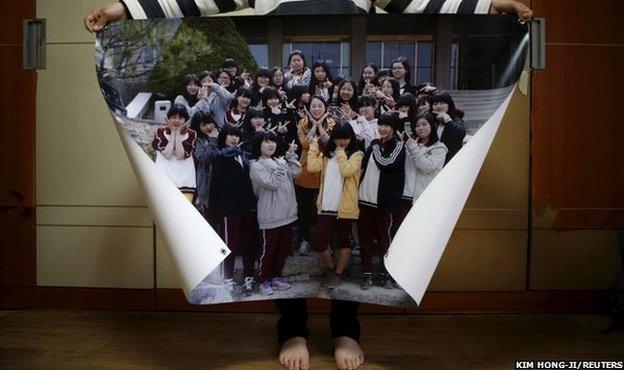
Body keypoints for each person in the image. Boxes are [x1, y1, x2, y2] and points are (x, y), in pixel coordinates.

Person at [307, 122, 364, 288]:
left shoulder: (356, 153)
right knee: (319, 242)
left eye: (345, 138)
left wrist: (340, 152)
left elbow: (347, 170)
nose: (342, 141)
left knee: (343, 242)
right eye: (338, 138)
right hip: (325, 207)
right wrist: (312, 146)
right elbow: (312, 167)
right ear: (333, 138)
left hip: (345, 208)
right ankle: (332, 268)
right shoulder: (328, 155)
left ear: (351, 138)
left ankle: (338, 273)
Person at [249, 131, 301, 296]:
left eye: (273, 141)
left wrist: (291, 156)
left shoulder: (280, 160)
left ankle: (276, 277)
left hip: (288, 213)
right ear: (259, 145)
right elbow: (271, 183)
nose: (271, 145)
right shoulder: (255, 164)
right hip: (270, 215)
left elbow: (296, 174)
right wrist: (282, 166)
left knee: (283, 249)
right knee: (268, 250)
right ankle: (263, 280)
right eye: (266, 142)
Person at [358, 112, 405, 290]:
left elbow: (385, 163)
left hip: (384, 204)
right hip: (364, 200)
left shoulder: (398, 146)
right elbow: (364, 166)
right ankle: (366, 274)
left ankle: (386, 273)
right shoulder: (374, 145)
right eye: (381, 125)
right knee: (365, 238)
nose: (383, 129)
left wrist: (376, 143)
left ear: (393, 128)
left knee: (385, 240)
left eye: (387, 126)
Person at [209, 126, 259, 296]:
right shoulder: (220, 155)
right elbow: (215, 160)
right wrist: (233, 150)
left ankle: (249, 278)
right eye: (231, 135)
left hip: (248, 206)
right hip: (229, 208)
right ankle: (227, 279)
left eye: (237, 136)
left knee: (250, 244)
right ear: (224, 137)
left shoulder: (244, 155)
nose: (234, 138)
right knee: (229, 244)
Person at [295, 96, 336, 257]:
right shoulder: (303, 123)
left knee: (325, 210)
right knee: (304, 209)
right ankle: (303, 241)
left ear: (325, 108)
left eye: (320, 106)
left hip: (326, 170)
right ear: (309, 108)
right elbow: (305, 144)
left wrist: (321, 126)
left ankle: (326, 242)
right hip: (306, 170)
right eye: (313, 106)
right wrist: (315, 125)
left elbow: (329, 144)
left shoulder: (332, 123)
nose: (317, 109)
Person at [151, 104, 197, 202]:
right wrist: (173, 133)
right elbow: (167, 154)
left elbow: (180, 155)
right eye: (173, 117)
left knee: (183, 212)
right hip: (164, 180)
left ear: (186, 120)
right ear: (168, 118)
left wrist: (178, 133)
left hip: (185, 182)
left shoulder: (192, 134)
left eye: (180, 118)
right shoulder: (160, 131)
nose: (176, 120)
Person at [405, 113, 448, 202]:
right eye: (417, 126)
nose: (420, 128)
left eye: (424, 124)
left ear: (432, 125)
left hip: (426, 196)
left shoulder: (439, 148)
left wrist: (414, 148)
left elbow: (427, 167)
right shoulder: (412, 145)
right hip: (408, 195)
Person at [189, 111, 220, 228]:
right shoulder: (196, 140)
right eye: (203, 125)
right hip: (206, 183)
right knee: (208, 219)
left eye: (210, 123)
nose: (208, 127)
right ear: (198, 126)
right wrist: (212, 140)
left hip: (220, 181)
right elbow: (204, 158)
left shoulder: (220, 134)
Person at [431, 92, 466, 164]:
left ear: (449, 105)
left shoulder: (455, 120)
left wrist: (447, 120)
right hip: (434, 162)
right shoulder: (432, 120)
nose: (438, 106)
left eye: (442, 103)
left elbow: (460, 134)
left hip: (451, 163)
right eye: (435, 104)